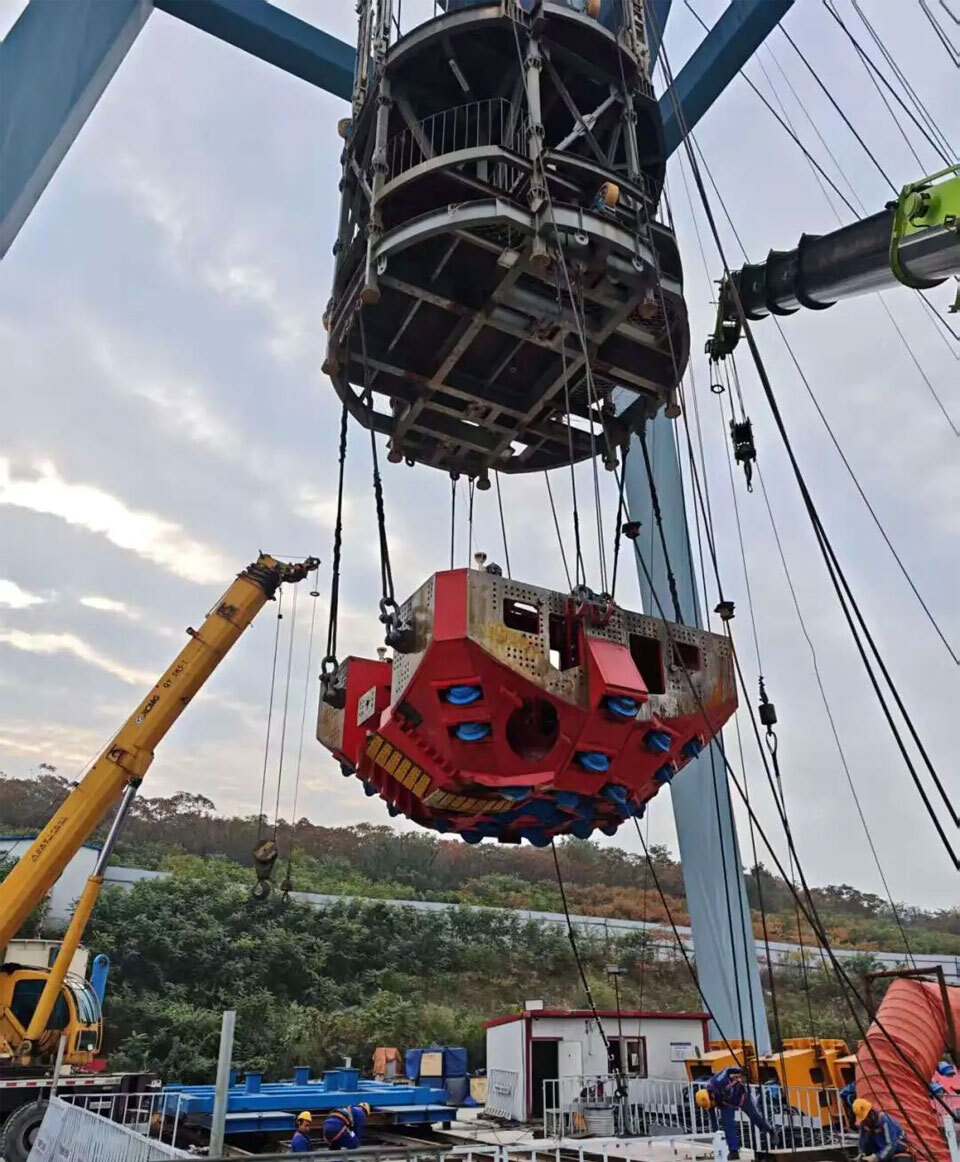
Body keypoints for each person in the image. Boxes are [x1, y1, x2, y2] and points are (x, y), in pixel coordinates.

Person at [695, 1065, 778, 1160]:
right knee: (728, 1125)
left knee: (755, 1116)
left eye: (712, 1104)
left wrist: (741, 1070)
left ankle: (771, 1131)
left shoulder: (717, 1081)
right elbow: (714, 1123)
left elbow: (727, 1069)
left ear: (711, 1095)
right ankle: (733, 1151)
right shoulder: (708, 1102)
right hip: (727, 1104)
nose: (713, 1106)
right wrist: (717, 1138)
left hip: (742, 1096)